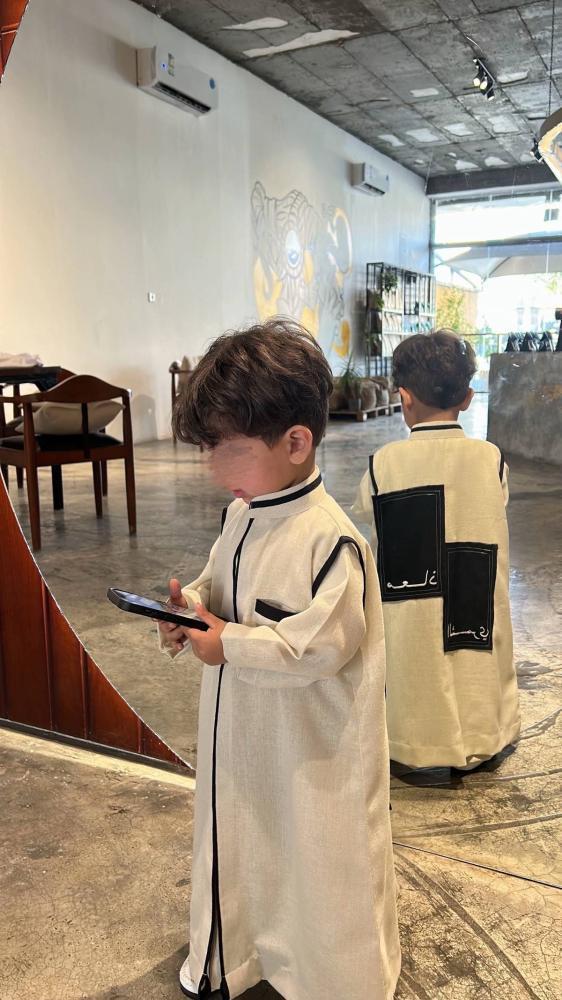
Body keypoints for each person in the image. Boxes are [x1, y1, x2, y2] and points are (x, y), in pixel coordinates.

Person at [158, 318, 400, 1000]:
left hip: (314, 752)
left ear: (296, 443)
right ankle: (241, 954)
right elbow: (218, 586)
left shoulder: (332, 542)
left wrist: (228, 643)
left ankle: (334, 978)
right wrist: (188, 609)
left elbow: (318, 647)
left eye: (230, 451)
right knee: (247, 839)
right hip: (244, 737)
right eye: (209, 450)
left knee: (318, 857)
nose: (215, 470)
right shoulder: (243, 514)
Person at [353, 330, 520, 771]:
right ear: (467, 398)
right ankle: (486, 733)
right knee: (476, 657)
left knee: (416, 658)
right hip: (476, 589)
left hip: (410, 597)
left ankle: (413, 741)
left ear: (404, 398)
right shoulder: (491, 459)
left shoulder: (383, 463)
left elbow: (367, 510)